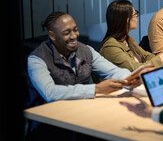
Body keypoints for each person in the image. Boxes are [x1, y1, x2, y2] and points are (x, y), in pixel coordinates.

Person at [26, 12, 141, 140]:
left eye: (75, 30)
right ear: (52, 36)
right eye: (66, 33)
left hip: (81, 117)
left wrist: (131, 78)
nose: (73, 36)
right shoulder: (37, 59)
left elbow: (114, 71)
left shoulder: (86, 50)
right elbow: (50, 93)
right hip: (49, 127)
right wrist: (96, 89)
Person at [99, 0, 163, 72]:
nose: (137, 18)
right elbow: (137, 70)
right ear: (127, 20)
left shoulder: (127, 39)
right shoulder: (110, 47)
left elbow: (148, 57)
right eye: (135, 15)